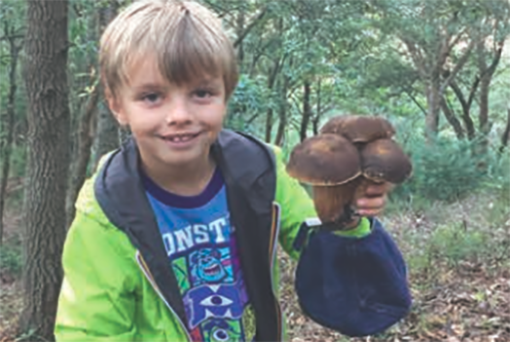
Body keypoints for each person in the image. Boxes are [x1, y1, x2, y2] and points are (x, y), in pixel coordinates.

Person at [54, 0, 411, 341]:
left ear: (226, 93)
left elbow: (319, 245)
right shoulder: (107, 212)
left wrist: (348, 215)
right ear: (117, 103)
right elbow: (91, 330)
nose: (179, 114)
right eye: (152, 96)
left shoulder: (261, 171)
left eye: (201, 93)